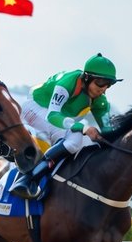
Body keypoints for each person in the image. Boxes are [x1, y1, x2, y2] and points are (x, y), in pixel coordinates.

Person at [9, 53, 120, 199]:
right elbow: (53, 116)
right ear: (86, 78)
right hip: (36, 108)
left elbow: (108, 131)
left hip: (58, 116)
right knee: (75, 139)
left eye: (109, 84)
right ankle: (26, 179)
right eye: (100, 82)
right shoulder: (68, 83)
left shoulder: (100, 100)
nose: (103, 89)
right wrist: (84, 128)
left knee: (88, 143)